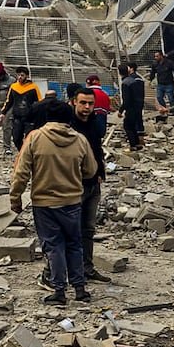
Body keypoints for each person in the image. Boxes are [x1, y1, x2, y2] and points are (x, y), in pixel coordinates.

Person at [10, 101, 97, 306]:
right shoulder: (80, 140)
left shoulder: (35, 138)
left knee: (53, 246)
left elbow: (21, 173)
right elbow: (90, 170)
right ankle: (80, 289)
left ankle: (59, 291)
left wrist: (15, 198)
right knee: (74, 244)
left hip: (44, 203)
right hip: (72, 201)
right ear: (69, 118)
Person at [39, 86, 110, 289]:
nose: (87, 107)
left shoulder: (94, 122)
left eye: (90, 103)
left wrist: (100, 173)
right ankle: (51, 274)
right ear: (74, 102)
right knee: (65, 233)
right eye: (83, 103)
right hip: (71, 187)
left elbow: (96, 150)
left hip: (92, 184)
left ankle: (85, 268)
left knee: (87, 229)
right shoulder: (67, 126)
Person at [0, 67, 42, 150]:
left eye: (22, 75)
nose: (20, 77)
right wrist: (3, 113)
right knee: (16, 138)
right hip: (17, 117)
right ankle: (22, 151)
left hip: (30, 118)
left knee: (29, 139)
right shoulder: (14, 87)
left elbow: (39, 102)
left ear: (27, 76)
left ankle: (28, 153)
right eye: (18, 75)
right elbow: (8, 101)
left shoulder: (33, 87)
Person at [118, 62, 146, 150]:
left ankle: (133, 145)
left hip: (131, 108)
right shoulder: (134, 80)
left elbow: (126, 100)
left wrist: (121, 110)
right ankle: (137, 144)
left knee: (127, 126)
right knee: (133, 126)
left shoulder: (125, 83)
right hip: (137, 106)